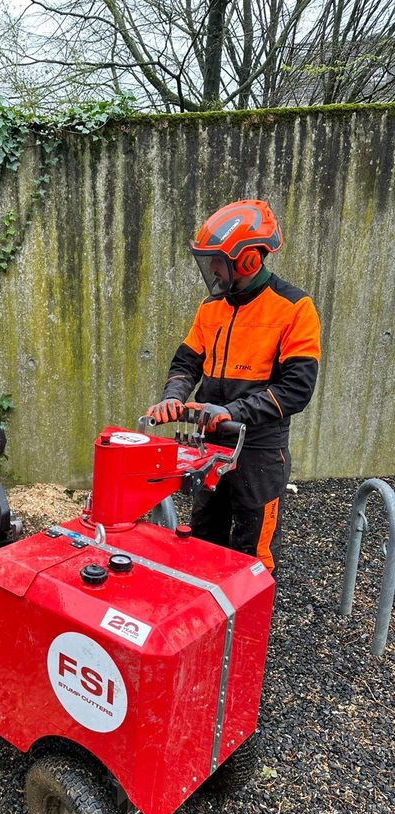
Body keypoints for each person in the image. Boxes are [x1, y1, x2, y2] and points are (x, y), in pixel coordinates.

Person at [147, 199, 320, 576]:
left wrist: (233, 412)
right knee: (203, 537)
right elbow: (186, 362)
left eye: (217, 259)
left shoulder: (293, 308)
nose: (211, 268)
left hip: (259, 450)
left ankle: (247, 632)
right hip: (210, 445)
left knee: (252, 552)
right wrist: (173, 397)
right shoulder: (212, 307)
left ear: (247, 260)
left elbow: (297, 388)